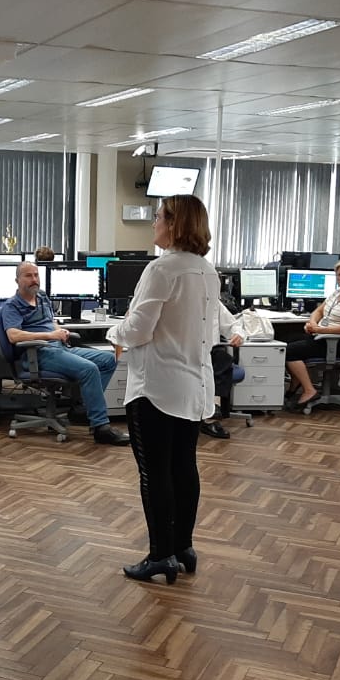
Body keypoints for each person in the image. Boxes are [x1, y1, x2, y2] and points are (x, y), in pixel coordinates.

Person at [105, 196, 221, 585]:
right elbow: (211, 332)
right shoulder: (207, 270)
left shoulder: (161, 269)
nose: (153, 223)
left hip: (156, 387)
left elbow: (138, 329)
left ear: (173, 224)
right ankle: (183, 548)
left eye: (157, 217)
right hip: (193, 386)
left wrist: (113, 332)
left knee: (155, 474)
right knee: (184, 467)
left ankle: (160, 556)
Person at [0, 261, 130, 446]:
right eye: (28, 275)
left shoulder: (42, 296)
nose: (34, 279)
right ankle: (101, 428)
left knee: (109, 359)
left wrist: (60, 331)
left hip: (59, 348)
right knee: (89, 369)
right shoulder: (12, 305)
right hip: (39, 353)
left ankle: (83, 409)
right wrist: (50, 336)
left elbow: (50, 321)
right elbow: (13, 335)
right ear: (17, 280)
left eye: (36, 275)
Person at [283, 257, 340, 409]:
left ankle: (309, 390)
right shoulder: (338, 292)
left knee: (288, 351)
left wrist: (318, 329)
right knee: (284, 341)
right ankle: (296, 380)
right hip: (323, 337)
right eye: (339, 274)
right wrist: (313, 323)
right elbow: (319, 311)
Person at [201, 308, 246, 439]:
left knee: (222, 358)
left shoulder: (214, 302)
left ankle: (214, 410)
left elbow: (232, 324)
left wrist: (238, 334)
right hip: (183, 351)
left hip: (210, 349)